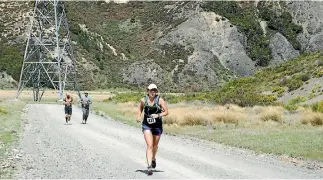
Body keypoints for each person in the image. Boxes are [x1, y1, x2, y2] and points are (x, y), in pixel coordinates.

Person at [136, 84, 169, 176]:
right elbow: (140, 108)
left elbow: (166, 112)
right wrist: (138, 116)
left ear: (156, 91)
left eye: (154, 90)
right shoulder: (143, 100)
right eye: (151, 90)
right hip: (147, 125)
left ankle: (153, 158)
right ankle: (149, 166)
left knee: (155, 145)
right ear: (148, 91)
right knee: (150, 145)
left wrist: (158, 115)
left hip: (157, 126)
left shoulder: (160, 100)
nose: (153, 91)